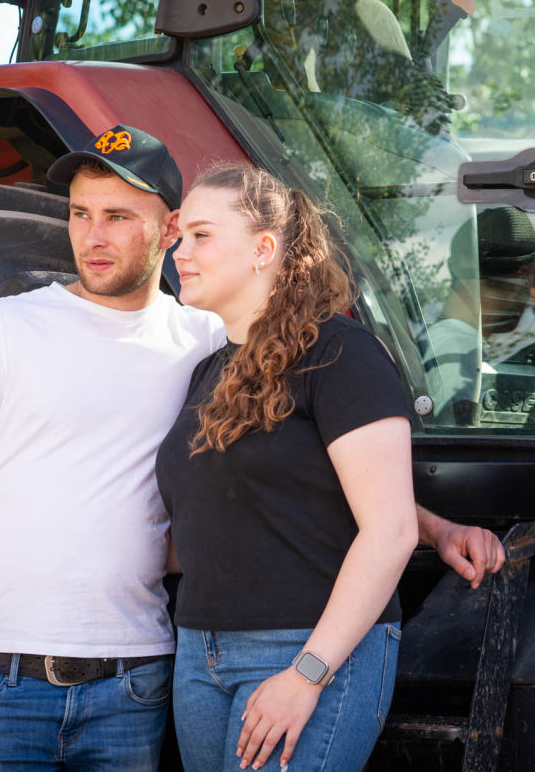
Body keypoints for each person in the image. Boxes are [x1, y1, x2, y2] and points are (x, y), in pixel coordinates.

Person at [0, 128, 504, 770]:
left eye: (118, 217)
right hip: (100, 669)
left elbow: (350, 494)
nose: (93, 236)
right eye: (80, 215)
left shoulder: (230, 341)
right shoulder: (37, 331)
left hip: (157, 672)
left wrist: (429, 528)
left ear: (171, 230)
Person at [156, 165, 416, 771]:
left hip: (307, 651)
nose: (180, 253)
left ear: (264, 249)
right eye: (179, 238)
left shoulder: (341, 353)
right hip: (201, 655)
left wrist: (308, 673)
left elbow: (391, 529)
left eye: (201, 236)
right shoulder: (209, 370)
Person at [417, 206, 535, 424]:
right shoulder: (458, 351)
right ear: (517, 280)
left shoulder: (443, 343)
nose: (531, 297)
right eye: (528, 279)